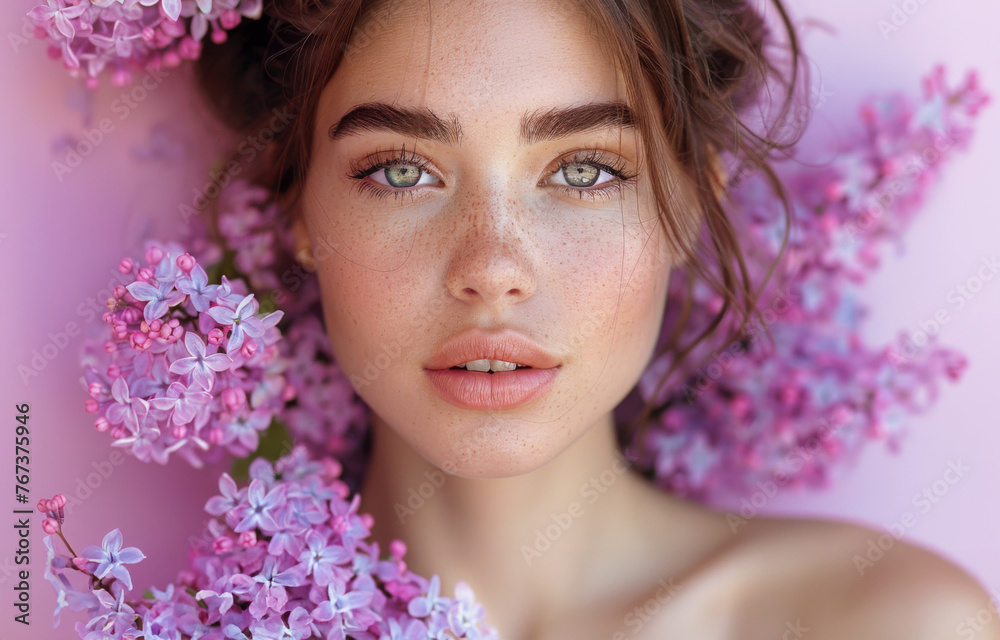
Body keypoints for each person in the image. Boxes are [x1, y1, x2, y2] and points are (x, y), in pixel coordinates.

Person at [193, 0, 998, 638]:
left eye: (585, 169)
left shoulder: (886, 625)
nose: (493, 269)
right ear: (296, 209)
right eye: (401, 171)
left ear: (690, 203)